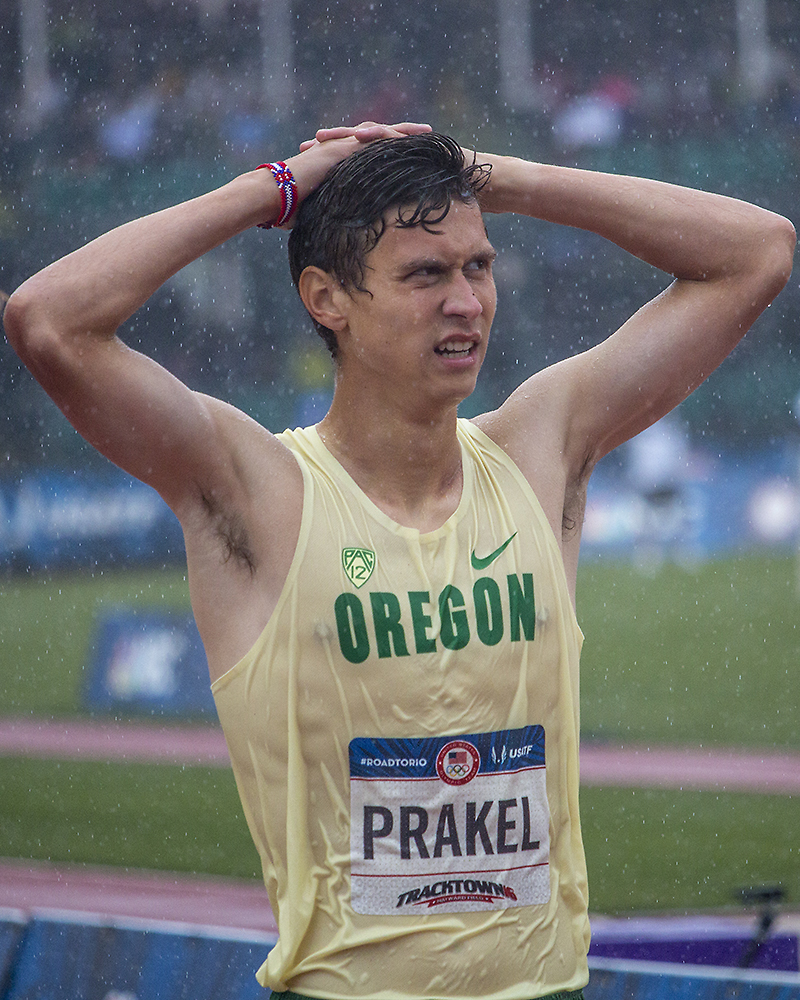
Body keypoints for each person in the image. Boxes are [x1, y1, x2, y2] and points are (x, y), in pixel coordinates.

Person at [4, 121, 794, 1000]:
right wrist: (278, 188)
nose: (466, 301)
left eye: (478, 267)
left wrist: (495, 178)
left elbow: (758, 251)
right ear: (325, 298)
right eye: (425, 274)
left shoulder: (540, 451)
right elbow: (50, 321)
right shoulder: (260, 492)